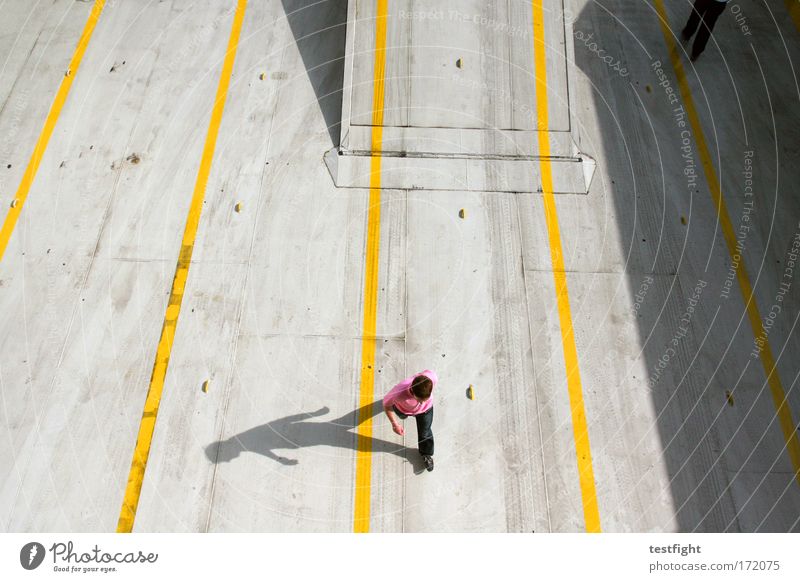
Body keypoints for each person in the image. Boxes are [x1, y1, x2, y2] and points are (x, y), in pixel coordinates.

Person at [383, 370, 437, 471]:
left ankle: (426, 454)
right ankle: (403, 415)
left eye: (426, 399)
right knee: (402, 416)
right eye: (420, 400)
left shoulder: (431, 377)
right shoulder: (398, 392)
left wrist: (425, 402)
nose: (422, 403)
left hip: (426, 411)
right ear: (412, 391)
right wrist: (395, 424)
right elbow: (386, 405)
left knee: (425, 432)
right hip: (403, 410)